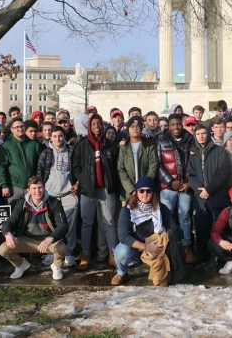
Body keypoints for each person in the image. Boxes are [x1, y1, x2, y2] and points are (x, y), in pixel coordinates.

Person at [72, 112, 120, 270]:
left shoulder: (110, 144)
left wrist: (112, 183)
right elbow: (76, 166)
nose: (97, 127)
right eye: (93, 124)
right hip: (88, 191)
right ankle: (85, 254)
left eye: (99, 124)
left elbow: (116, 167)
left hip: (106, 190)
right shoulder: (83, 144)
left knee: (110, 222)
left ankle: (113, 254)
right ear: (89, 126)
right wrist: (84, 180)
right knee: (87, 223)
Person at [112, 177, 180, 286]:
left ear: (153, 193)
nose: (145, 194)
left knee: (168, 238)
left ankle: (160, 273)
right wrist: (145, 246)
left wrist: (164, 234)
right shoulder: (127, 210)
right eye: (141, 191)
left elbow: (175, 229)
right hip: (136, 247)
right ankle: (122, 273)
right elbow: (123, 236)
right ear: (136, 192)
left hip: (156, 248)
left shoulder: (161, 208)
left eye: (148, 191)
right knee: (121, 251)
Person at [0, 176, 68, 280]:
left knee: (62, 248)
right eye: (34, 188)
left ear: (44, 188)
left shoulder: (54, 203)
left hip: (48, 240)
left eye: (40, 187)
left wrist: (50, 238)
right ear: (28, 190)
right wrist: (8, 234)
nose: (37, 191)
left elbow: (63, 226)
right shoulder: (21, 204)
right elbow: (9, 222)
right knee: (3, 249)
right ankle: (21, 265)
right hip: (27, 240)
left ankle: (56, 266)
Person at [188, 124, 232, 266]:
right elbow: (190, 174)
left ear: (208, 134)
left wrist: (209, 189)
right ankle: (203, 255)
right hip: (200, 198)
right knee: (201, 229)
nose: (201, 136)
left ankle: (221, 256)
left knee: (219, 228)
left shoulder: (219, 151)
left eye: (203, 133)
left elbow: (223, 173)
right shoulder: (192, 152)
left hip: (217, 196)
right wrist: (200, 190)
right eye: (198, 134)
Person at [37, 126, 79, 267]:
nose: (57, 139)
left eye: (60, 136)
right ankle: (52, 252)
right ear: (50, 137)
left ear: (64, 136)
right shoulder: (46, 153)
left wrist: (77, 183)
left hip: (68, 193)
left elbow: (78, 169)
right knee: (52, 226)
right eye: (54, 136)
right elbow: (40, 172)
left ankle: (69, 252)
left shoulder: (71, 151)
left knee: (70, 226)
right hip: (51, 194)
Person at [155, 113, 194, 263]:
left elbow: (194, 164)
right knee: (166, 216)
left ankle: (187, 246)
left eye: (178, 124)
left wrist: (189, 182)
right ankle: (167, 247)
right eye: (173, 124)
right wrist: (171, 182)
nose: (176, 127)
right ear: (168, 125)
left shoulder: (190, 140)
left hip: (185, 186)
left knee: (185, 216)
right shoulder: (160, 140)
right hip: (168, 187)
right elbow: (158, 165)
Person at [0, 117, 41, 204]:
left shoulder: (34, 144)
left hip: (32, 187)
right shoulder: (6, 146)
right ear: (12, 130)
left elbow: (41, 164)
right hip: (14, 187)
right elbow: (0, 167)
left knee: (31, 215)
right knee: (15, 215)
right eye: (17, 127)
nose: (20, 129)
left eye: (22, 126)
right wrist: (4, 185)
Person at [117, 116, 158, 202]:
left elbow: (153, 167)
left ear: (141, 128)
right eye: (132, 126)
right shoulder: (123, 147)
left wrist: (143, 187)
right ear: (128, 129)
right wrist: (131, 190)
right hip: (128, 193)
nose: (135, 128)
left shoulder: (149, 146)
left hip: (146, 192)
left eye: (138, 126)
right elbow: (120, 170)